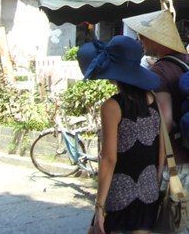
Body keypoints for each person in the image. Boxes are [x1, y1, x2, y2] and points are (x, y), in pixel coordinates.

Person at [123, 10, 189, 234]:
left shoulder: (160, 70)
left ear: (155, 38)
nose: (141, 41)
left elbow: (165, 122)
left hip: (177, 162)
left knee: (166, 224)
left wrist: (154, 162)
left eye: (143, 36)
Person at [78, 35, 163, 234]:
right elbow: (161, 151)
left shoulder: (112, 106)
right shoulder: (154, 100)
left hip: (119, 194)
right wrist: (154, 182)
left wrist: (99, 205)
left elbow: (109, 159)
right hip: (149, 190)